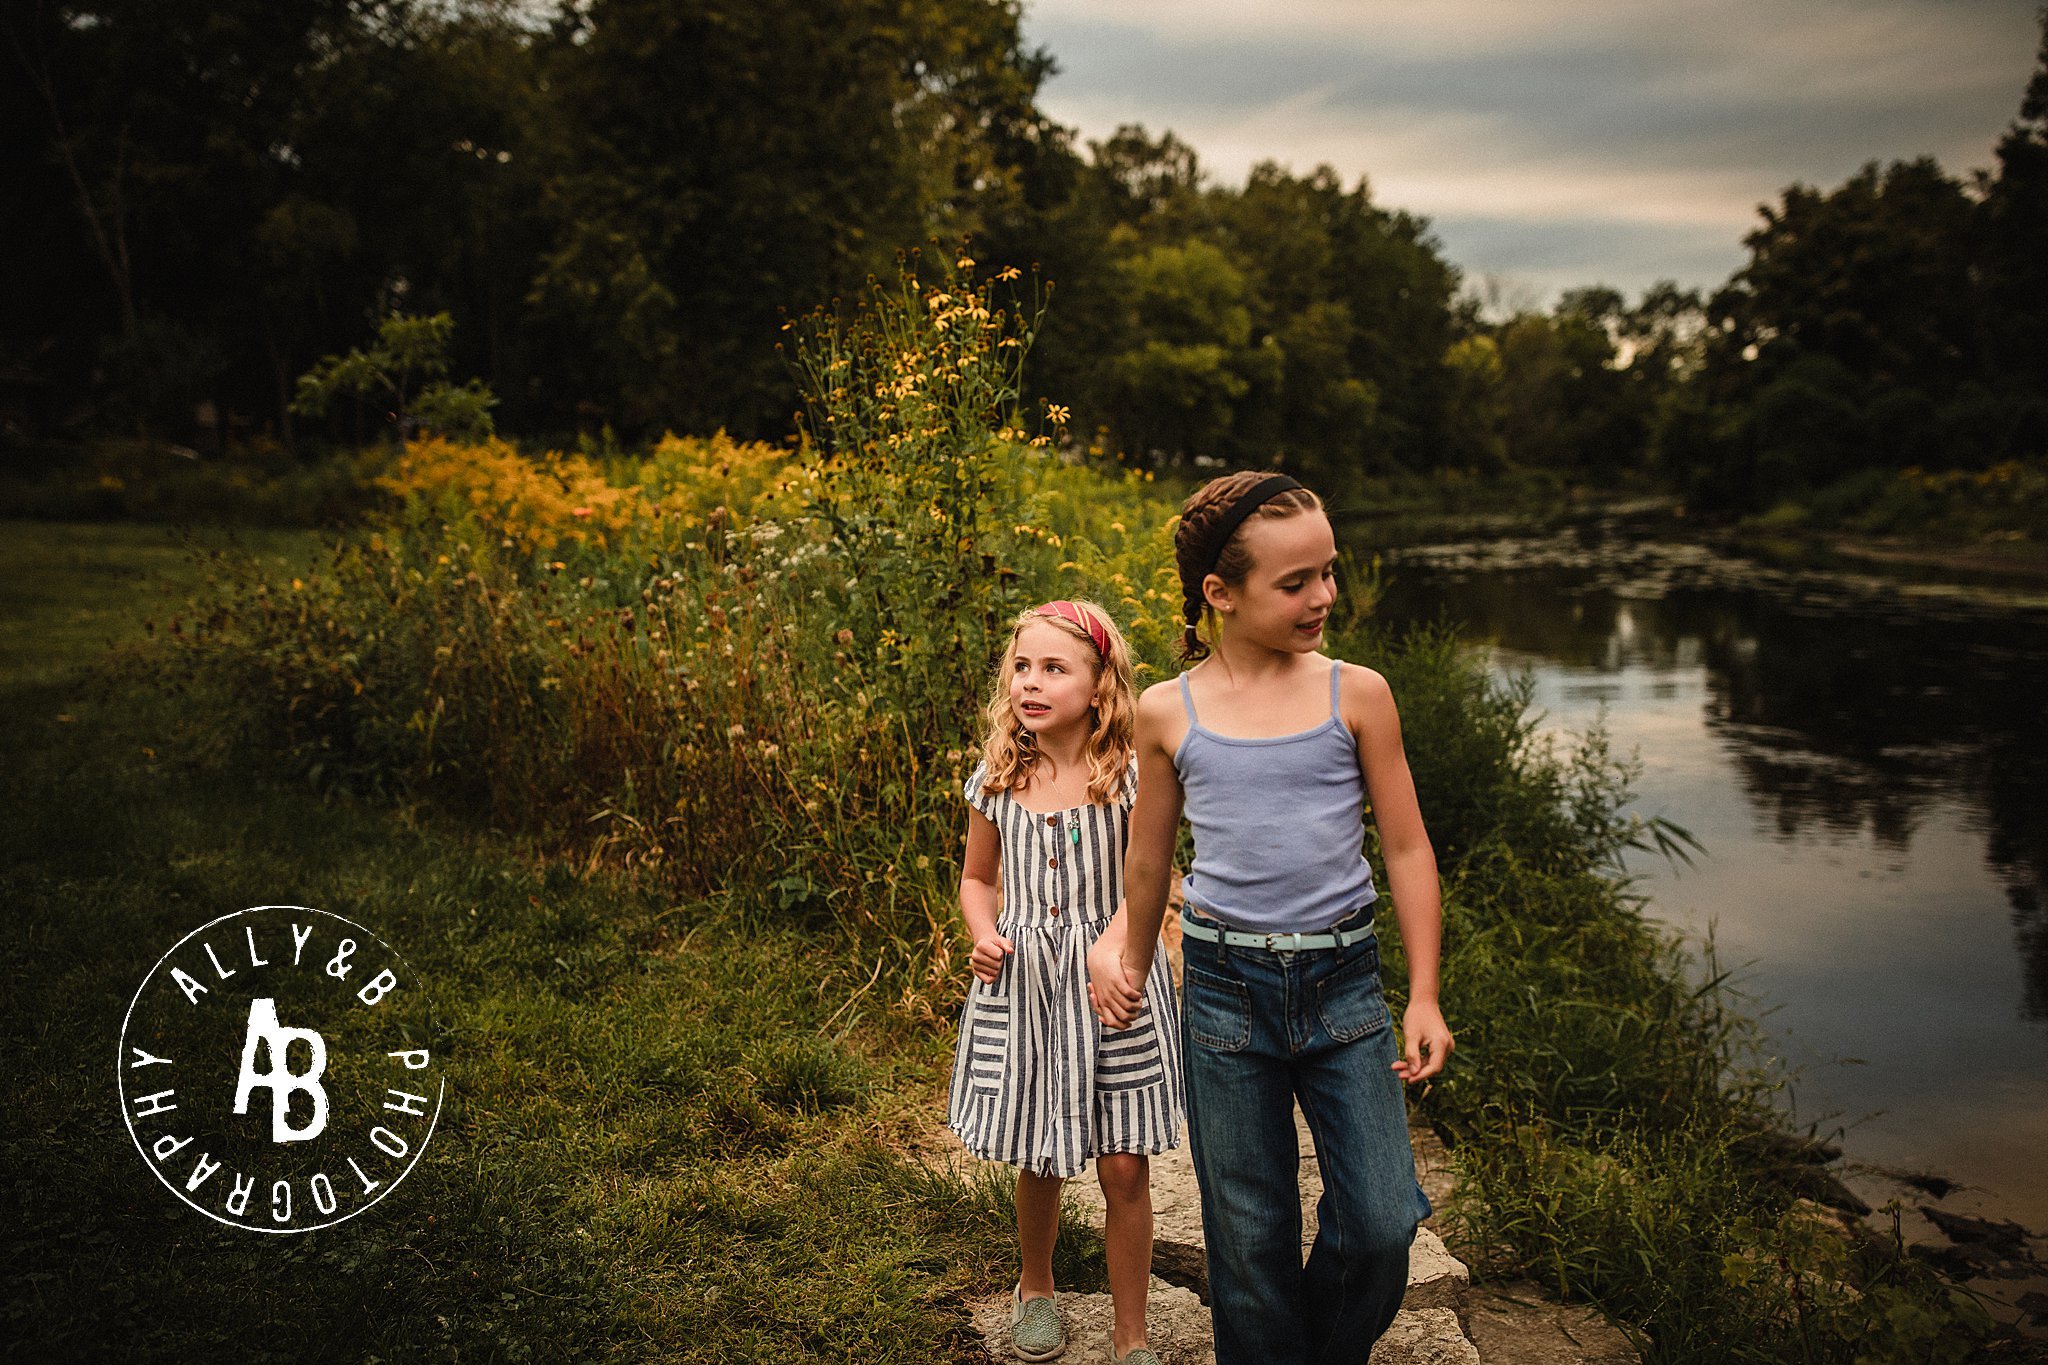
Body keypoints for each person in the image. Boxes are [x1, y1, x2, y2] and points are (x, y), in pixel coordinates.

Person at [1087, 472, 1453, 1364]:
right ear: (1220, 593)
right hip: (1222, 990)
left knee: (1378, 1221)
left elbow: (1405, 849)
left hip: (1345, 989)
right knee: (1248, 1238)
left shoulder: (1356, 694)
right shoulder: (1169, 710)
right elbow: (1149, 857)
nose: (1325, 595)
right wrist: (1131, 953)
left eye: (1329, 571)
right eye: (1297, 582)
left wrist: (1425, 993)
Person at [949, 599, 1186, 1365]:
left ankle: (1132, 1333)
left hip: (1111, 979)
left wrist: (1123, 944)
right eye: (1022, 666)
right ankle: (1037, 1286)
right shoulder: (1000, 775)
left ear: (1100, 684)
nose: (1031, 682)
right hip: (1028, 986)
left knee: (1123, 1160)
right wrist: (984, 933)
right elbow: (977, 878)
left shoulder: (1125, 776)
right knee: (1042, 1150)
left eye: (1055, 667)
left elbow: (1155, 878)